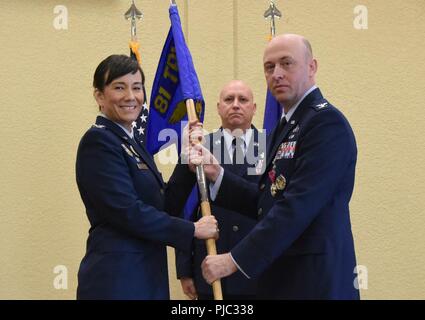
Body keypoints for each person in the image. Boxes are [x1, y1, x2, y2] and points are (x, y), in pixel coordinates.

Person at [190, 34, 359, 299]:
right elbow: (267, 200)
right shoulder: (287, 125)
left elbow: (296, 207)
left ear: (311, 67)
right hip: (284, 278)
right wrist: (217, 173)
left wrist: (233, 260)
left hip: (314, 281)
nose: (277, 73)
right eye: (270, 67)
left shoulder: (325, 123)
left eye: (286, 63)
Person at [75, 54, 218, 300]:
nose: (131, 97)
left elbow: (162, 205)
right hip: (118, 282)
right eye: (119, 87)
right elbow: (127, 212)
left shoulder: (130, 143)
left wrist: (187, 162)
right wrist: (191, 229)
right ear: (99, 96)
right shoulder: (98, 141)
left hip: (145, 279)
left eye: (137, 87)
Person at [176, 80, 263, 300]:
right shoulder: (198, 148)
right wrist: (184, 270)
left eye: (242, 100)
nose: (235, 105)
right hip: (209, 269)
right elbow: (185, 210)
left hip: (258, 271)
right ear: (218, 107)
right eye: (228, 99)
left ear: (254, 108)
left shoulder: (271, 147)